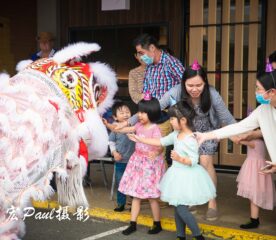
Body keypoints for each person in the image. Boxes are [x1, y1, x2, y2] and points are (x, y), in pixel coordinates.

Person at [115, 60, 237, 220]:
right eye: (190, 85)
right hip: (185, 131)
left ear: (205, 82)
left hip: (206, 132)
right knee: (185, 165)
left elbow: (225, 116)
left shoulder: (212, 93)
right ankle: (190, 198)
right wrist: (128, 122)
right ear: (183, 83)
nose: (194, 89)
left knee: (206, 162)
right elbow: (156, 107)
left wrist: (237, 132)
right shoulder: (176, 91)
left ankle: (211, 202)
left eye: (199, 85)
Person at [128, 102, 216, 240]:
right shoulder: (176, 134)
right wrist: (139, 139)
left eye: (172, 119)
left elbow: (193, 160)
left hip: (187, 177)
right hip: (176, 174)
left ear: (183, 120)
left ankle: (198, 236)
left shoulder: (190, 138)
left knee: (181, 208)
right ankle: (180, 235)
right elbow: (160, 142)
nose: (170, 121)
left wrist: (180, 158)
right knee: (177, 207)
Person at [195, 69, 276, 173]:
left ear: (272, 92)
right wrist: (206, 136)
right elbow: (239, 127)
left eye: (258, 88)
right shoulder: (263, 109)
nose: (256, 92)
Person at [108, 95, 166, 235]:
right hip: (138, 162)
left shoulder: (155, 128)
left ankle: (157, 223)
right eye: (139, 111)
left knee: (152, 197)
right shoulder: (138, 125)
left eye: (143, 112)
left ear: (152, 112)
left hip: (150, 165)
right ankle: (132, 223)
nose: (139, 115)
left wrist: (156, 152)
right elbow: (126, 130)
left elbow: (161, 146)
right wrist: (112, 127)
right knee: (136, 195)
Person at [235, 133, 276, 229]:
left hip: (254, 170)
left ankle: (254, 220)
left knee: (253, 196)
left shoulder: (255, 142)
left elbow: (238, 141)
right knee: (254, 196)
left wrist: (228, 134)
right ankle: (254, 219)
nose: (248, 133)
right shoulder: (261, 141)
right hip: (256, 168)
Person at [133, 33, 184, 100]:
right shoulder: (149, 66)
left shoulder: (171, 62)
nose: (141, 57)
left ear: (152, 48)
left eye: (141, 53)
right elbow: (146, 90)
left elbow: (187, 84)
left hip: (168, 109)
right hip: (151, 108)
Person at [108, 102, 135, 212]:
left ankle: (133, 204)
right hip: (120, 161)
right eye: (122, 113)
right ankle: (121, 203)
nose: (125, 114)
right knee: (121, 182)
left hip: (134, 161)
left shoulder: (134, 126)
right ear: (115, 117)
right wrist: (114, 152)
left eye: (127, 112)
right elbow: (111, 142)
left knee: (134, 182)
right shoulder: (115, 128)